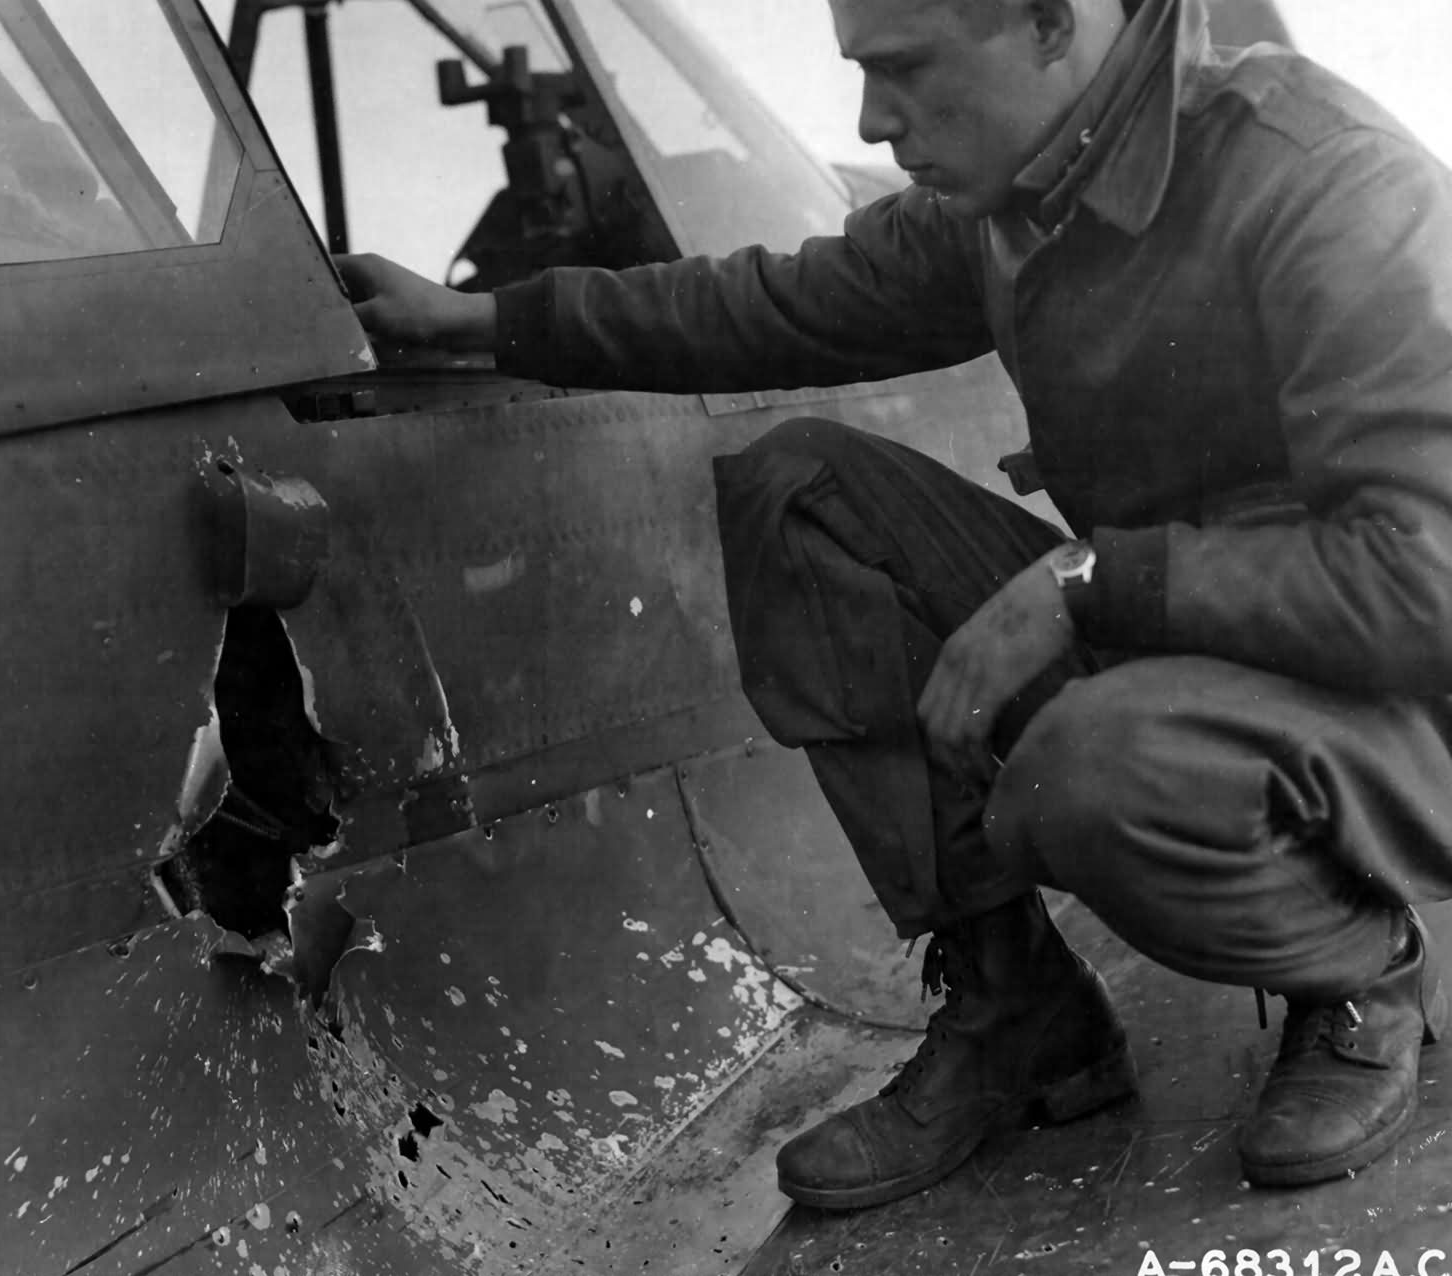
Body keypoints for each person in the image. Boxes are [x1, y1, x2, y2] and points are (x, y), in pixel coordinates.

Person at [338, 0, 1452, 1206]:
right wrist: (490, 319)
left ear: (1045, 23)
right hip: (1199, 647)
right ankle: (1021, 1009)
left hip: (1398, 700)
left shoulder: (1321, 173)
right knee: (801, 490)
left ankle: (1358, 971)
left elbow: (1427, 576)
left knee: (1091, 768)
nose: (873, 119)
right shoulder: (1021, 198)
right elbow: (770, 303)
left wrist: (1091, 583)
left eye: (905, 70)